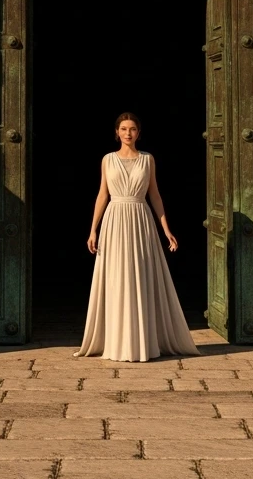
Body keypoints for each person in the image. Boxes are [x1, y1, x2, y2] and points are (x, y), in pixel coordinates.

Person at [75, 112, 199, 362]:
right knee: (117, 278)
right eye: (123, 129)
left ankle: (141, 343)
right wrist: (93, 229)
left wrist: (166, 229)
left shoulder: (147, 160)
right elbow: (102, 195)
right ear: (117, 133)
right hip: (115, 220)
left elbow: (155, 195)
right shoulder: (108, 160)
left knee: (140, 278)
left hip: (141, 221)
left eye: (132, 129)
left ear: (139, 133)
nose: (128, 133)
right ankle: (117, 343)